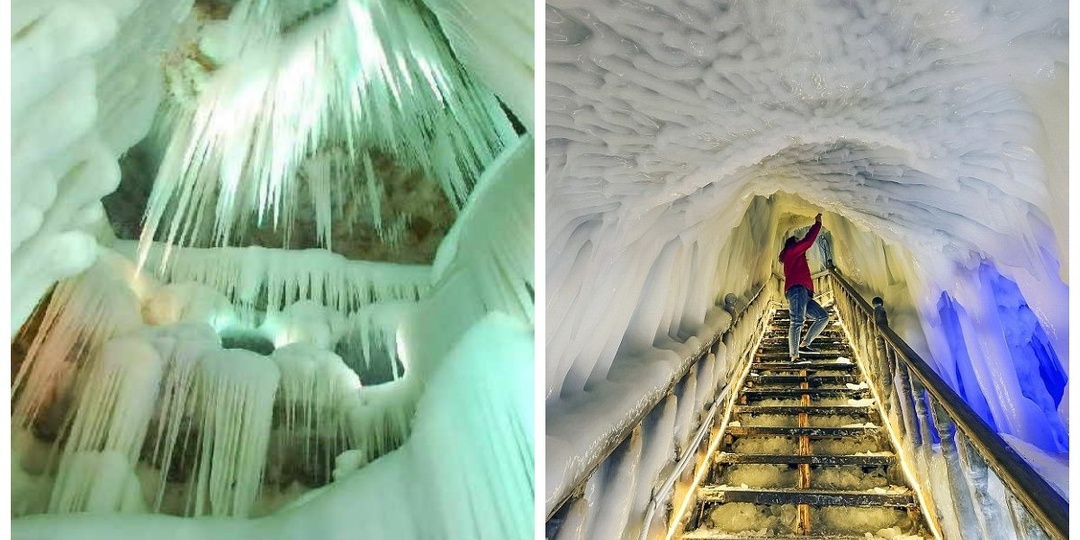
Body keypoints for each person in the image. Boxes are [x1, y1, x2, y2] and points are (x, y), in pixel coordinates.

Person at [779, 213, 829, 361]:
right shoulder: (791, 252)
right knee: (797, 321)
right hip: (797, 289)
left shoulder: (795, 256)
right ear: (792, 243)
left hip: (804, 292)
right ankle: (794, 355)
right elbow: (807, 241)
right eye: (797, 240)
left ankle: (804, 344)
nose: (800, 242)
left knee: (823, 316)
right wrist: (817, 223)